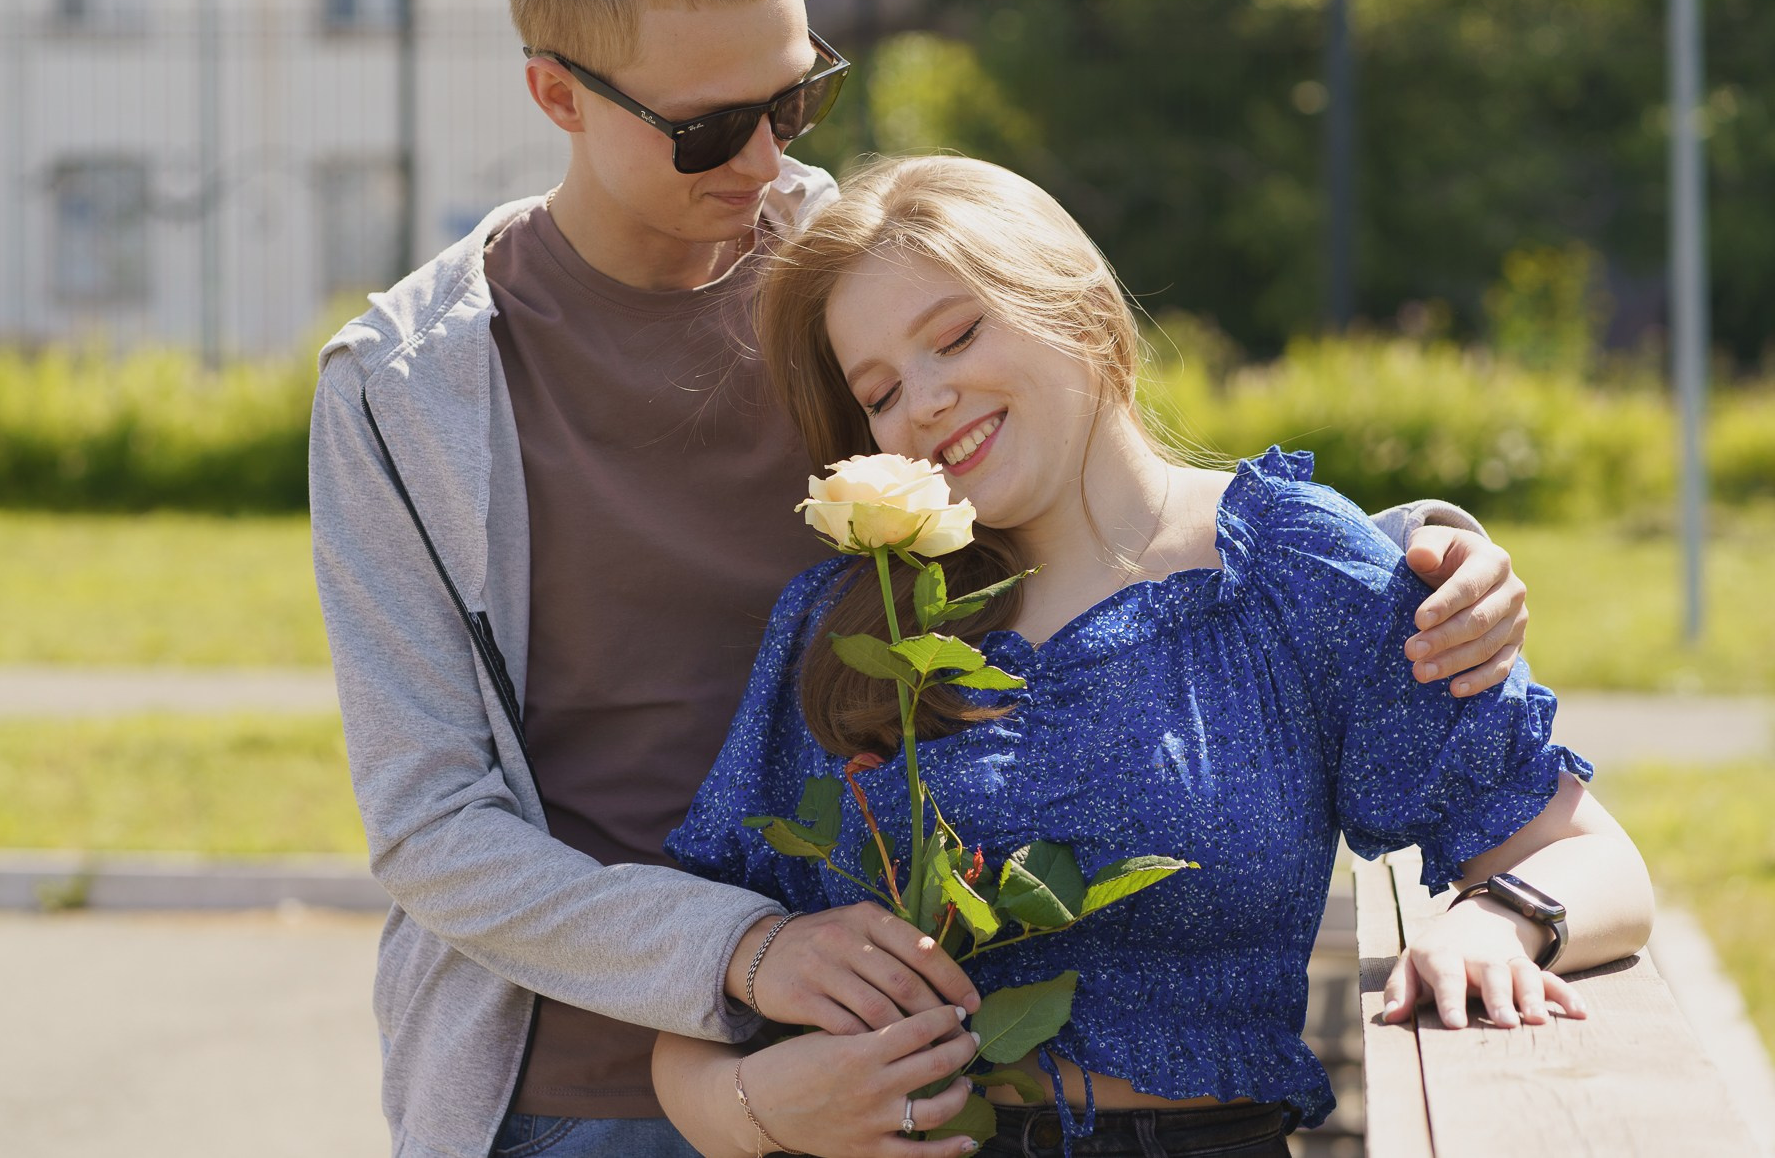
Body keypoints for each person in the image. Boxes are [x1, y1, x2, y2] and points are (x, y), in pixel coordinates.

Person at [309, 0, 1534, 1158]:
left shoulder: (859, 288)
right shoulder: (407, 389)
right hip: (583, 1084)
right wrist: (749, 951)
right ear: (559, 97)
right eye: (712, 128)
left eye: (797, 97)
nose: (768, 156)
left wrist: (1395, 549)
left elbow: (1082, 458)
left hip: (909, 1067)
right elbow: (431, 823)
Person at [656, 155, 1655, 1158]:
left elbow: (1583, 853)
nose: (921, 400)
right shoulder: (850, 630)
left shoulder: (1286, 568)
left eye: (956, 335)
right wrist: (745, 1106)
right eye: (877, 393)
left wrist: (1494, 923)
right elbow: (691, 1000)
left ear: (1082, 310)